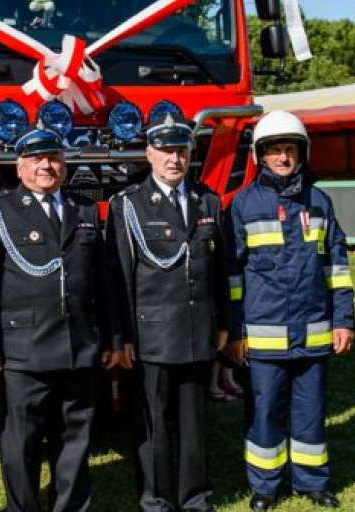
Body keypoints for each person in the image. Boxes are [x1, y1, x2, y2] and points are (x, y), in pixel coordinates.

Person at [0, 123, 122, 512]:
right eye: (36, 159)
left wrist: (112, 339)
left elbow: (104, 282)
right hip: (25, 351)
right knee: (21, 444)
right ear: (19, 167)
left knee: (75, 441)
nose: (46, 166)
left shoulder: (84, 210)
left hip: (78, 347)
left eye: (53, 158)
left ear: (65, 165)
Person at [226, 110, 355, 510]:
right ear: (260, 156)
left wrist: (343, 321)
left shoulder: (319, 202)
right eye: (275, 150)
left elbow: (337, 266)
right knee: (264, 414)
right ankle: (265, 488)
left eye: (290, 149)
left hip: (315, 336)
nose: (283, 157)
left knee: (310, 415)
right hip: (262, 341)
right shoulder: (243, 205)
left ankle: (312, 482)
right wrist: (235, 333)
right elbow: (232, 278)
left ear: (302, 154)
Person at [105, 115, 231, 512]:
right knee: (153, 423)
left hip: (196, 329)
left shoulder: (207, 201)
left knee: (193, 422)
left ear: (190, 154)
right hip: (151, 336)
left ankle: (195, 497)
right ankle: (156, 498)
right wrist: (120, 336)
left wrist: (224, 322)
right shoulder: (127, 205)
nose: (173, 159)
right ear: (149, 154)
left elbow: (221, 271)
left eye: (181, 150)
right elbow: (119, 278)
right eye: (165, 151)